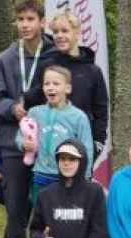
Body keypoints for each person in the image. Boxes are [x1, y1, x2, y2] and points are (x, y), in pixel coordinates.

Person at [0, 0, 54, 238]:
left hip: (48, 147)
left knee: (47, 210)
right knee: (15, 212)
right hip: (15, 147)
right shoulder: (6, 58)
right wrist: (12, 108)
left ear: (42, 22)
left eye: (30, 19)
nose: (25, 25)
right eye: (20, 20)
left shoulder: (54, 54)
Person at [26, 11, 109, 167]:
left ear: (77, 34)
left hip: (80, 146)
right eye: (56, 32)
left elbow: (101, 111)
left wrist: (98, 143)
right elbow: (32, 102)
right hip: (48, 148)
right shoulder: (46, 66)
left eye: (64, 31)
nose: (59, 35)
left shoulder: (93, 71)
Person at [18, 65, 93, 209]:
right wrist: (23, 144)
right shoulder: (34, 113)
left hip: (67, 178)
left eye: (56, 83)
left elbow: (87, 149)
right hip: (40, 176)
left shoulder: (78, 117)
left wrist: (85, 179)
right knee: (42, 217)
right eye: (47, 84)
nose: (50, 87)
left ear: (68, 88)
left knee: (65, 217)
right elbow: (20, 137)